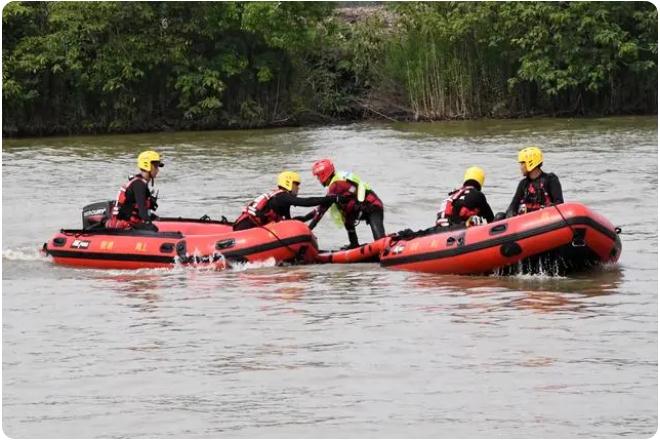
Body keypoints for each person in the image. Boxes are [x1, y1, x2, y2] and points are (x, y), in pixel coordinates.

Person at [303, 159, 385, 249]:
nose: (318, 179)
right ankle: (354, 244)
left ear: (324, 174)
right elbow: (320, 208)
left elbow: (322, 209)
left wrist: (309, 229)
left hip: (373, 207)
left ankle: (382, 246)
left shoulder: (336, 185)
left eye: (318, 176)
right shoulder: (339, 178)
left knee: (380, 241)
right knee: (347, 216)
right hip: (366, 207)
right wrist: (304, 219)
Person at [232, 171, 339, 231]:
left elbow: (289, 222)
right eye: (296, 185)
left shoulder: (280, 199)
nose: (298, 188)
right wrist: (331, 198)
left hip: (248, 227)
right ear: (289, 183)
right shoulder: (282, 196)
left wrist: (310, 216)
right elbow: (305, 202)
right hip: (245, 228)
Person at [105, 150, 163, 232]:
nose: (158, 170)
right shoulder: (139, 185)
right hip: (122, 224)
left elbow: (138, 208)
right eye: (156, 166)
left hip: (127, 221)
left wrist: (152, 216)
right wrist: (149, 224)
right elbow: (142, 211)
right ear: (148, 166)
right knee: (154, 229)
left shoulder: (139, 182)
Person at [505, 146, 563, 217]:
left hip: (546, 219)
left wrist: (548, 209)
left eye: (522, 163)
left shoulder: (551, 179)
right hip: (524, 222)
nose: (521, 167)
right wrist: (510, 214)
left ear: (531, 163)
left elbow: (559, 204)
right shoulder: (523, 184)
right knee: (500, 216)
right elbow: (513, 205)